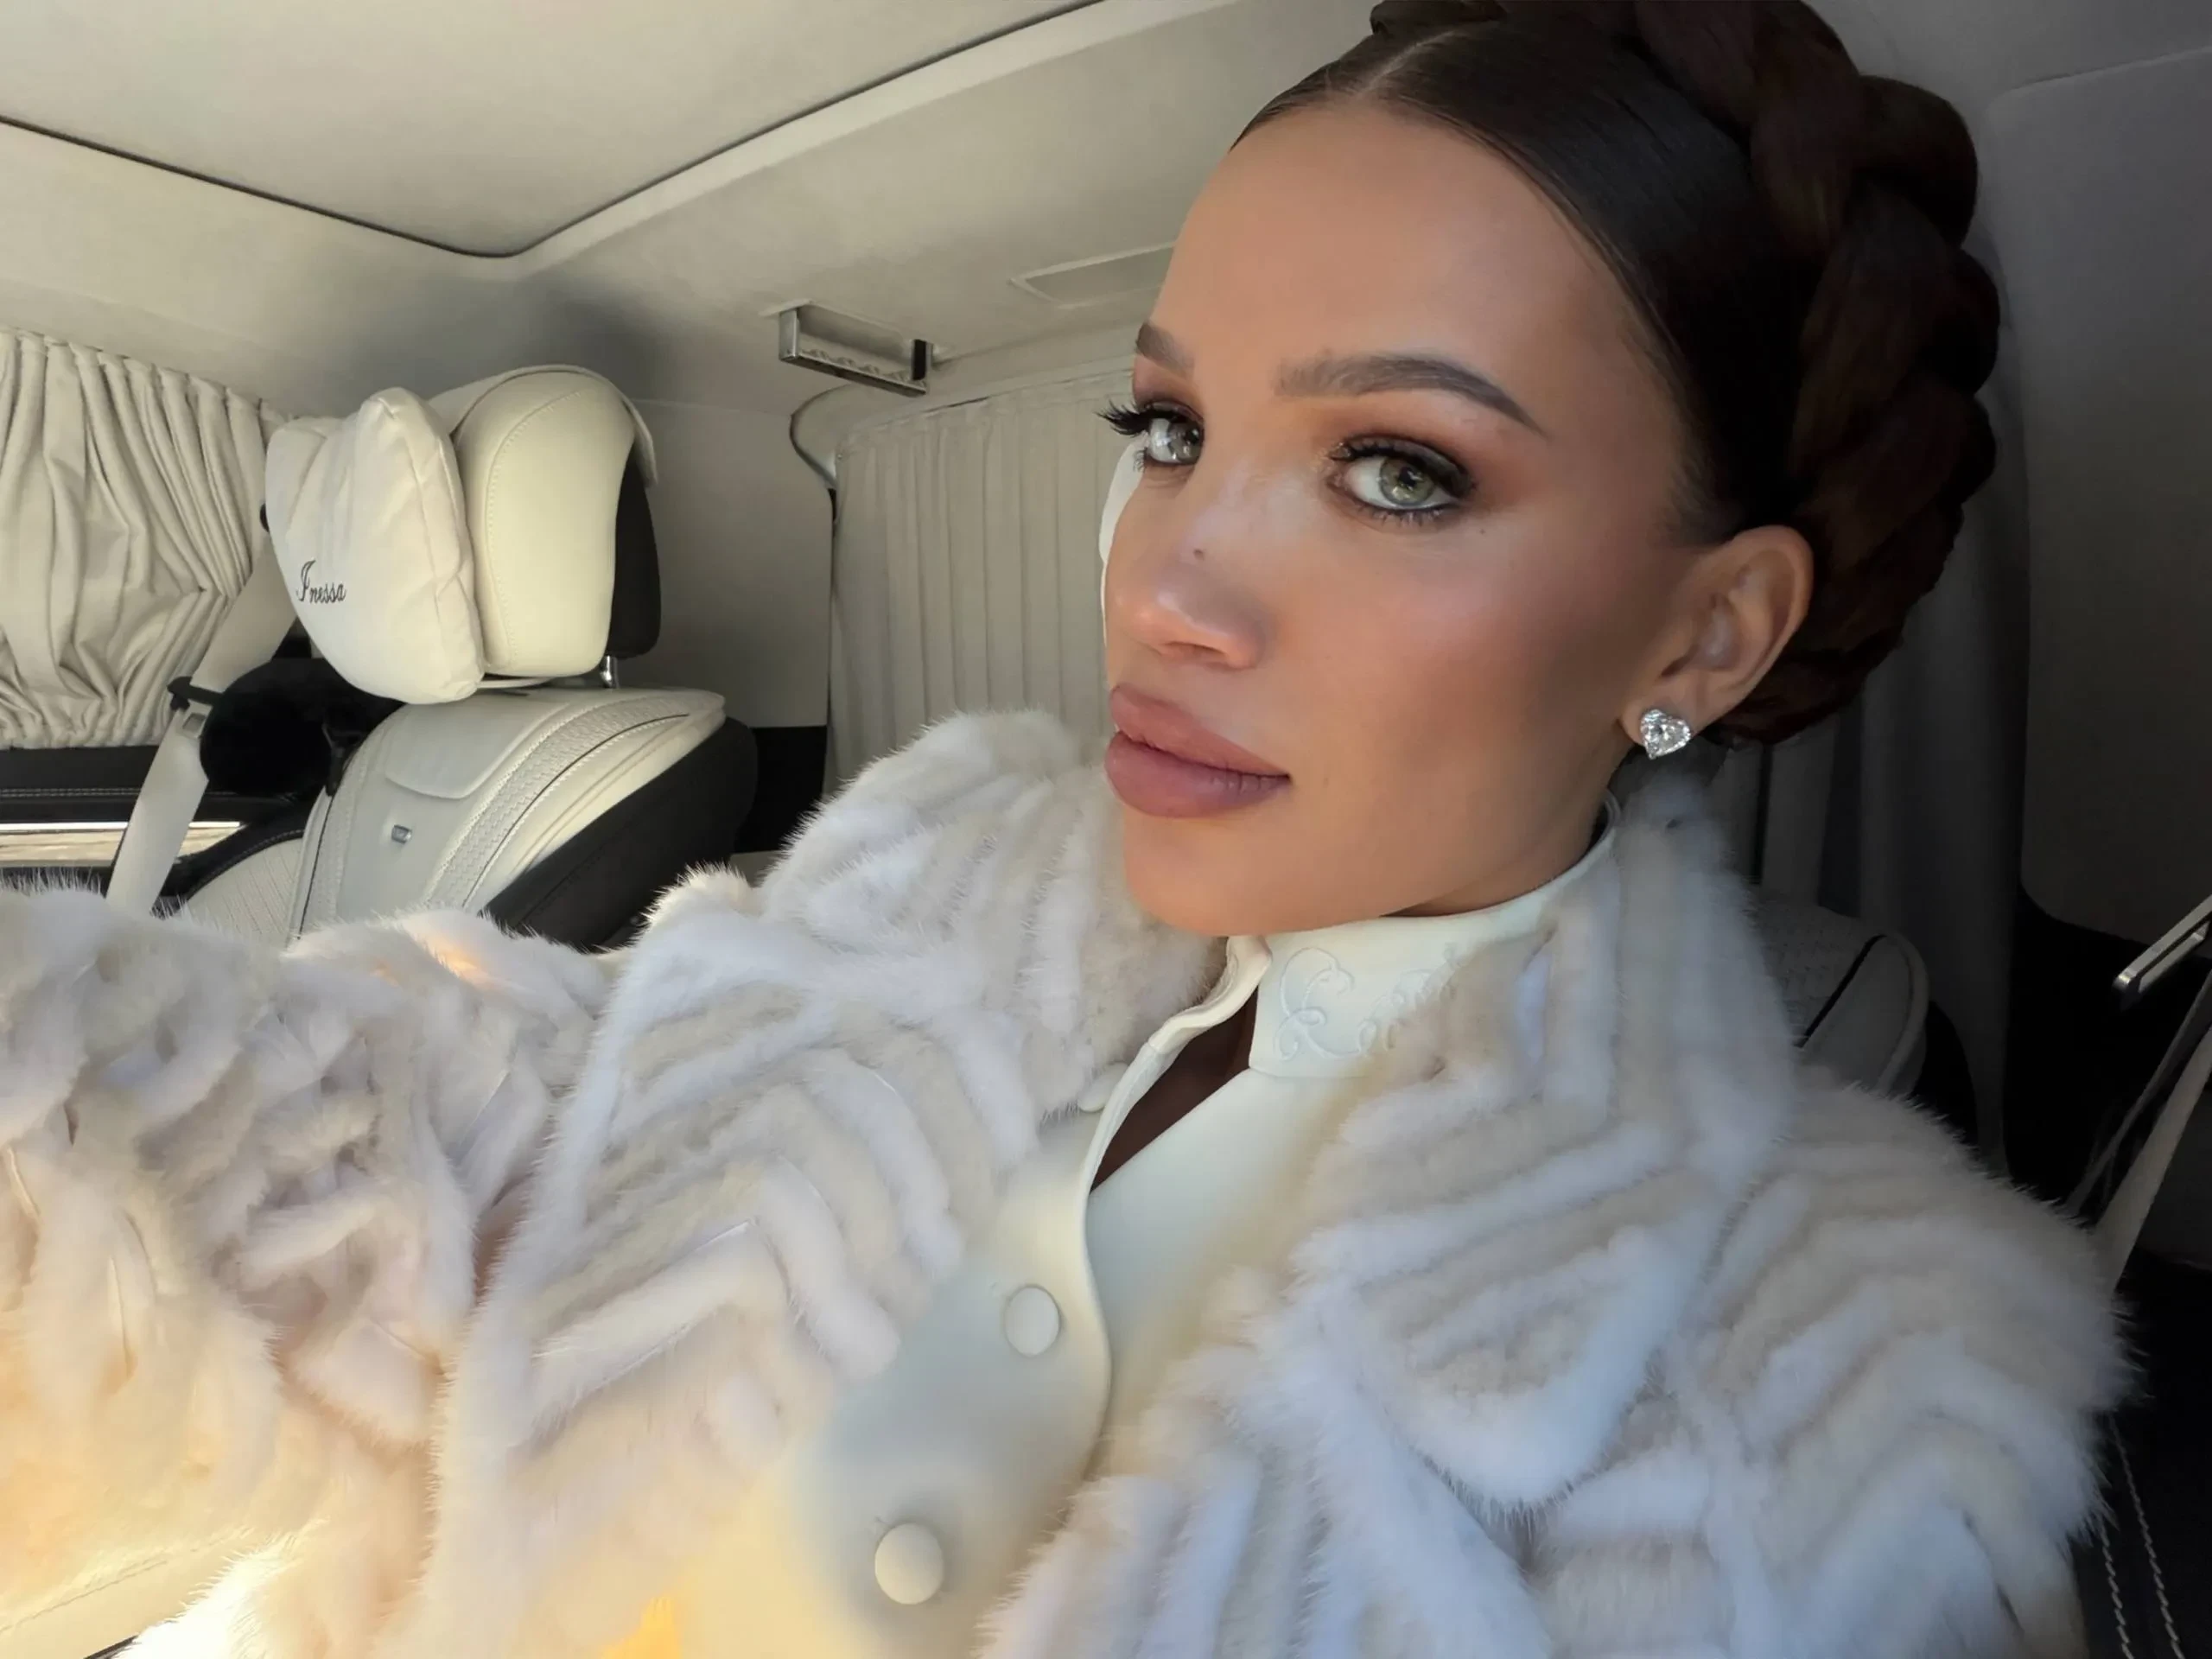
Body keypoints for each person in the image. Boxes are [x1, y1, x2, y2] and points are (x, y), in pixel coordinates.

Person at [0, 4, 2120, 1656]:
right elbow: (509, 1102)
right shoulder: (938, 868)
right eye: (1168, 428)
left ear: (1705, 630)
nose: (1163, 581)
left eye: (1396, 471)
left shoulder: (1843, 1397)